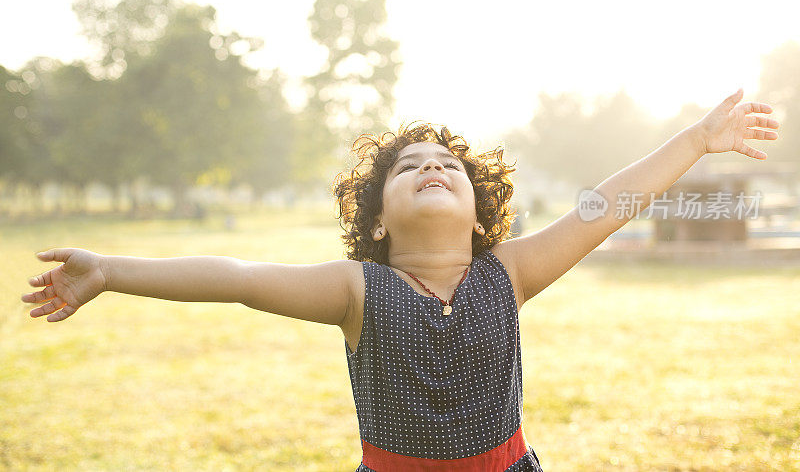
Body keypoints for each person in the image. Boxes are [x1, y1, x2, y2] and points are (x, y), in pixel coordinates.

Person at [21, 89, 778, 471]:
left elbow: (608, 203)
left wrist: (698, 139)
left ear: (480, 215)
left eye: (447, 166)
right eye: (409, 167)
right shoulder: (356, 292)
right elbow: (240, 277)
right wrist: (114, 270)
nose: (432, 168)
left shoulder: (508, 274)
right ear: (377, 220)